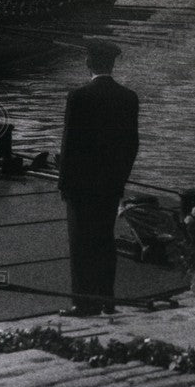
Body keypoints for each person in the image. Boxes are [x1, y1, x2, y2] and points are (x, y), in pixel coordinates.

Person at [58, 39, 139, 316]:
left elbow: (69, 146)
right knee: (105, 241)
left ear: (88, 63)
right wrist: (119, 180)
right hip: (110, 185)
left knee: (81, 244)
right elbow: (132, 145)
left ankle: (83, 303)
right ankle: (107, 300)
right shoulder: (129, 97)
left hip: (81, 186)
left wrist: (64, 183)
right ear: (112, 64)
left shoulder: (78, 97)